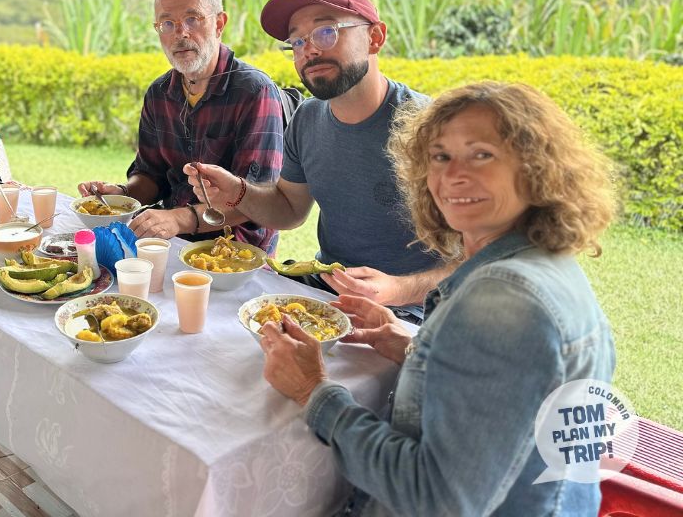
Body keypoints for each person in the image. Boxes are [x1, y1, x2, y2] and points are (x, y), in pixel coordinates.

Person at [259, 81, 617, 515]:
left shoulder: (505, 303)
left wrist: (313, 391)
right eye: (440, 156)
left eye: (482, 154)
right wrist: (413, 350)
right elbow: (511, 404)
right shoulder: (542, 264)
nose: (453, 174)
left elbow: (437, 499)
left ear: (535, 167)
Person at [186, 0, 443, 319]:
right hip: (325, 291)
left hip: (413, 311)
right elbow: (290, 209)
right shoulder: (308, 117)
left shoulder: (431, 128)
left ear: (375, 38)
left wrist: (396, 290)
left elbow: (486, 255)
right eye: (297, 40)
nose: (308, 50)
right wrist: (238, 192)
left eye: (326, 32)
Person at [78, 0, 284, 250]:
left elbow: (257, 200)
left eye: (192, 19)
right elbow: (151, 174)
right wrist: (122, 193)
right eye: (167, 23)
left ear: (219, 23)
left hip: (237, 249)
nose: (180, 33)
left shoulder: (254, 91)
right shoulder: (159, 93)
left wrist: (180, 218)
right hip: (171, 239)